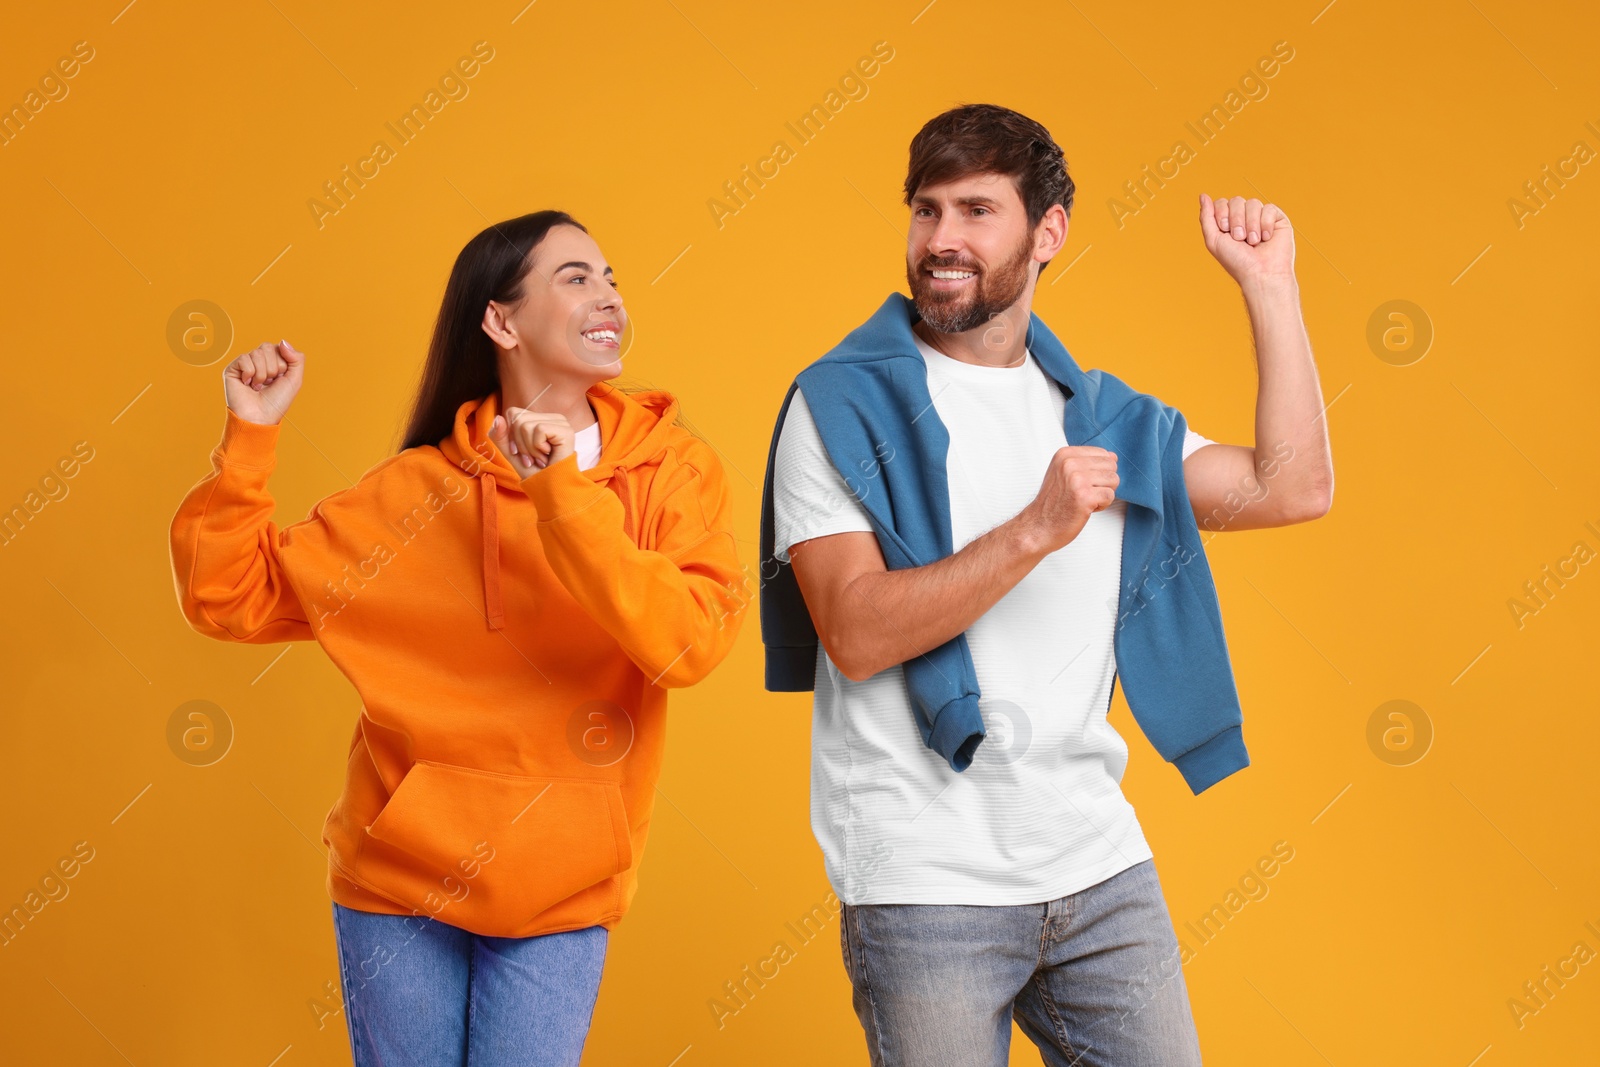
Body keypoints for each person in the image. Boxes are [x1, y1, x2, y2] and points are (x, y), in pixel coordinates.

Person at [758, 104, 1333, 1065]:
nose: (942, 240)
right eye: (927, 210)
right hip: (925, 880)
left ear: (1048, 232)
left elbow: (1294, 487)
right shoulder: (840, 403)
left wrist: (1271, 290)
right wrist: (1033, 529)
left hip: (1098, 866)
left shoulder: (1102, 419)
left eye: (977, 211)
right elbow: (854, 632)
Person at [169, 210, 746, 1067]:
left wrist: (559, 494)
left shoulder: (670, 473)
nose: (610, 297)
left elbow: (686, 645)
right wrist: (251, 436)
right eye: (576, 277)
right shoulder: (415, 492)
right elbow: (230, 597)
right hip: (397, 880)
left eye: (611, 277)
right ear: (501, 321)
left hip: (563, 885)